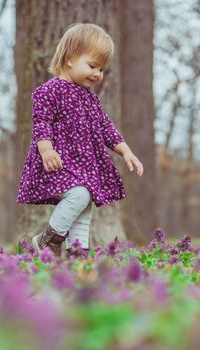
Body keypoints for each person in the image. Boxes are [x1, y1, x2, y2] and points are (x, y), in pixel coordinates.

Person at [16, 23, 144, 258]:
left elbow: (106, 127)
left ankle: (78, 256)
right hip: (57, 161)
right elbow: (41, 122)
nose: (97, 73)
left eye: (102, 69)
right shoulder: (51, 90)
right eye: (92, 65)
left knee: (85, 207)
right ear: (70, 59)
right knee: (80, 196)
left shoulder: (90, 99)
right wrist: (46, 151)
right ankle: (46, 241)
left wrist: (126, 151)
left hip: (83, 164)